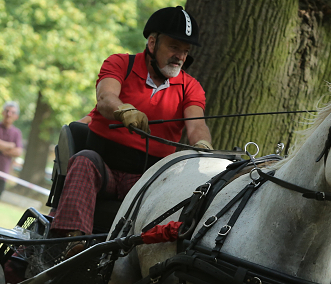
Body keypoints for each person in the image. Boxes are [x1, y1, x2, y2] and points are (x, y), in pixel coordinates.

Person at [49, 5, 212, 252]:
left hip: (147, 180)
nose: (180, 56)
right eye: (174, 47)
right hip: (103, 169)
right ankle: (72, 244)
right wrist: (125, 110)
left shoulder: (191, 87)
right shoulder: (119, 64)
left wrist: (203, 146)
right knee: (83, 161)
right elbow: (105, 99)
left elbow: (197, 125)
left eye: (185, 50)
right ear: (152, 43)